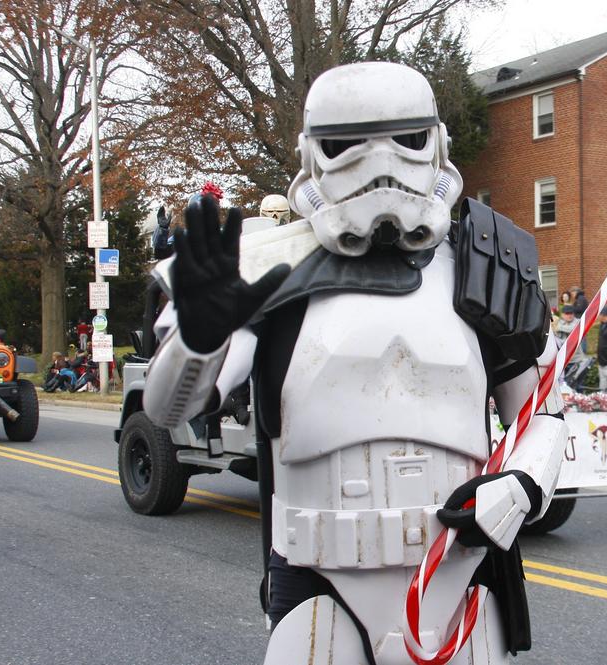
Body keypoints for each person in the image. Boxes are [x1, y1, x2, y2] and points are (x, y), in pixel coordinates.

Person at [142, 62, 568, 664]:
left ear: (436, 143)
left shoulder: (486, 264)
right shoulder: (266, 269)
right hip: (320, 577)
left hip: (458, 574)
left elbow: (543, 413)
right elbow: (171, 407)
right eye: (348, 147)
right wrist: (199, 338)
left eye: (405, 140)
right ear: (314, 155)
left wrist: (521, 485)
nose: (382, 166)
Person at [554, 305, 587, 391]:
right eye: (567, 313)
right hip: (564, 360)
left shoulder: (578, 322)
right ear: (562, 315)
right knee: (564, 385)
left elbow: (573, 329)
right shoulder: (559, 322)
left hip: (576, 360)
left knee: (578, 384)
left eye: (571, 313)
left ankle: (581, 401)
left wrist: (557, 328)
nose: (569, 315)